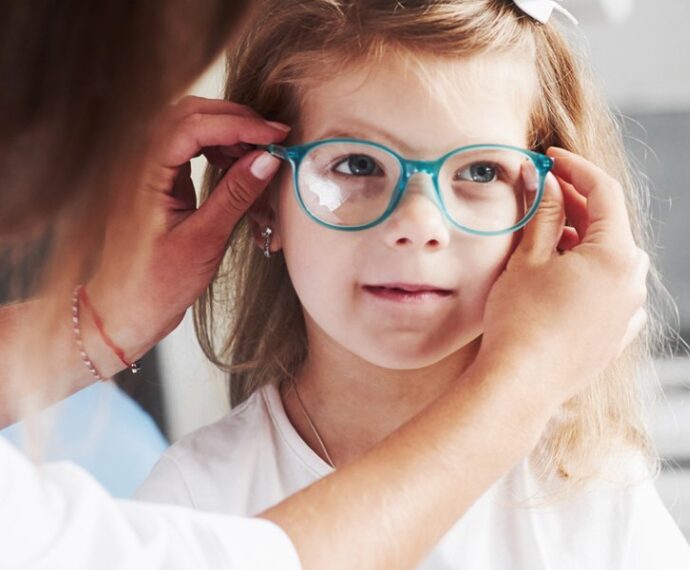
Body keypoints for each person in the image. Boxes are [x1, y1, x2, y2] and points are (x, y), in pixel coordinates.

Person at [0, 1, 649, 568]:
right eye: (358, 164)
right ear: (260, 198)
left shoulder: (588, 483)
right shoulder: (198, 497)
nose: (419, 224)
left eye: (479, 171)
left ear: (551, 208)